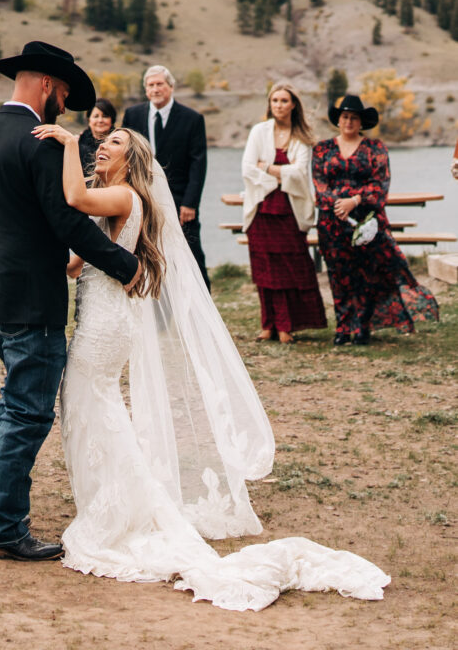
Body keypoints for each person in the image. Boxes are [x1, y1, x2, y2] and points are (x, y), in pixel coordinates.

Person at [33, 120, 390, 610]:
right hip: (98, 317)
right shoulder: (110, 202)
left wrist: (70, 144)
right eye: (99, 141)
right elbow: (78, 262)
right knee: (88, 409)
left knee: (94, 408)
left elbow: (72, 195)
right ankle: (109, 503)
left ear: (132, 161)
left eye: (112, 143)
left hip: (106, 326)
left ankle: (119, 512)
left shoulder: (125, 199)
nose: (100, 146)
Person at [0, 40, 140, 563]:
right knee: (28, 411)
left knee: (13, 400)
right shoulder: (41, 144)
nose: (66, 104)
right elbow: (68, 221)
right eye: (66, 92)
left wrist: (2, 228)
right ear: (47, 84)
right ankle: (2, 527)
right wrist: (125, 264)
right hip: (30, 298)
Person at [312, 94, 439, 346]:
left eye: (354, 118)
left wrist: (355, 201)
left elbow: (380, 184)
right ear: (338, 120)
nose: (349, 121)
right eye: (345, 116)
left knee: (366, 275)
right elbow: (319, 184)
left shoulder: (375, 149)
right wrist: (338, 205)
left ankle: (362, 327)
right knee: (338, 275)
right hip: (332, 223)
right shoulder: (322, 149)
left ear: (361, 122)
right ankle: (342, 326)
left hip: (367, 221)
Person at [242, 82, 326, 344]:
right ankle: (267, 325)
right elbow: (247, 168)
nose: (279, 105)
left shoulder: (301, 138)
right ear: (270, 104)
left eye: (284, 101)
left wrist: (267, 168)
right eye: (275, 100)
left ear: (293, 105)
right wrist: (279, 173)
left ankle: (286, 326)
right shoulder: (259, 131)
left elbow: (300, 173)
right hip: (262, 210)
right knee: (264, 269)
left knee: (290, 268)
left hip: (289, 212)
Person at [122, 65, 209, 289]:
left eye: (160, 84)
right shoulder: (133, 115)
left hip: (180, 200)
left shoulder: (192, 119)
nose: (155, 89)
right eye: (150, 85)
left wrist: (190, 203)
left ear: (170, 86)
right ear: (145, 90)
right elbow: (125, 156)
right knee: (147, 251)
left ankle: (202, 301)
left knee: (190, 252)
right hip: (144, 197)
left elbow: (198, 165)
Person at [77, 97, 116, 175]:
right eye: (96, 116)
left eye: (105, 116)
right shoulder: (77, 143)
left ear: (112, 120)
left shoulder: (120, 143)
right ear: (89, 120)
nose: (100, 120)